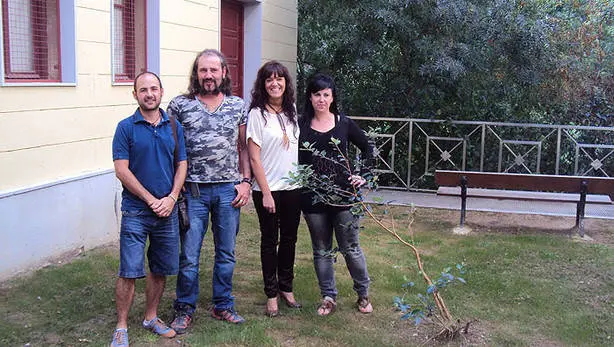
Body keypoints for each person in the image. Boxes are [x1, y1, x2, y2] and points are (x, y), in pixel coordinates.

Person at [167, 49, 251, 332]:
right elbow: (171, 148)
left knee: (226, 253)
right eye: (203, 70)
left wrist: (246, 181)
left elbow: (243, 148)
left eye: (214, 70)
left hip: (229, 190)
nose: (209, 76)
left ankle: (223, 305)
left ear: (224, 73)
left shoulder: (237, 106)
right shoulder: (180, 106)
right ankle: (184, 308)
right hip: (193, 193)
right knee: (189, 255)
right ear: (196, 73)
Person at [110, 71, 188, 347]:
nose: (149, 94)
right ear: (135, 95)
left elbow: (182, 164)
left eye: (154, 88)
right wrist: (149, 199)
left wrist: (171, 197)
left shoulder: (174, 126)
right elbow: (122, 170)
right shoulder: (125, 127)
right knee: (129, 269)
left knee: (160, 268)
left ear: (161, 91)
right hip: (136, 211)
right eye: (143, 90)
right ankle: (121, 326)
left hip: (166, 211)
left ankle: (151, 317)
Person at [298, 73, 374, 316]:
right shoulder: (299, 126)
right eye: (317, 94)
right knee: (321, 249)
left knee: (351, 248)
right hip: (312, 198)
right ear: (310, 97)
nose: (321, 99)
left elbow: (369, 149)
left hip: (344, 196)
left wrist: (362, 175)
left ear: (332, 97)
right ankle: (328, 297)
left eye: (326, 95)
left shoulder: (344, 123)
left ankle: (363, 295)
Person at [246, 61, 302, 317]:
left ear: (285, 83)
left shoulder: (291, 111)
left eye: (279, 79)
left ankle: (286, 288)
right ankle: (271, 294)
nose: (275, 83)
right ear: (263, 84)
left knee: (290, 240)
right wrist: (266, 192)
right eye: (269, 79)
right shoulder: (257, 114)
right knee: (270, 241)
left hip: (293, 187)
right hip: (267, 190)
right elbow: (254, 157)